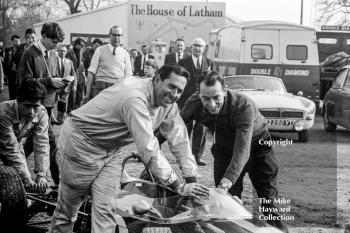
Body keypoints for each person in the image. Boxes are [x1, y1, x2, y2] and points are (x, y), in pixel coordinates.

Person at [48, 64, 209, 233]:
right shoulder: (135, 98)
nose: (174, 94)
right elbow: (148, 149)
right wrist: (179, 186)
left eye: (179, 91)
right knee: (68, 211)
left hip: (112, 148)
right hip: (81, 143)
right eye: (171, 86)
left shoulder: (167, 103)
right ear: (156, 79)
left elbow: (180, 139)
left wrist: (191, 179)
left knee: (106, 210)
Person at [181, 71, 288, 233]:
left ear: (225, 90)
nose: (211, 104)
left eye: (216, 97)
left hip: (257, 148)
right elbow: (172, 128)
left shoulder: (243, 105)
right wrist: (153, 146)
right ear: (198, 93)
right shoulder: (193, 102)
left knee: (268, 201)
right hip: (224, 150)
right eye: (206, 98)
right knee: (225, 206)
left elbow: (242, 151)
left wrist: (225, 183)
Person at [17, 22, 65, 185]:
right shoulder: (29, 54)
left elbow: (52, 76)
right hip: (34, 105)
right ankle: (59, 184)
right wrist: (49, 81)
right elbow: (25, 82)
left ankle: (12, 168)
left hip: (49, 105)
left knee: (31, 142)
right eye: (54, 41)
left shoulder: (52, 53)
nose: (56, 45)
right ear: (43, 37)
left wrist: (62, 83)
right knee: (51, 144)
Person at [0, 79, 49, 193]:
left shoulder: (42, 113)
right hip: (7, 141)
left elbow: (42, 143)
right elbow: (10, 148)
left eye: (35, 106)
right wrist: (26, 177)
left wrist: (41, 174)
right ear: (18, 101)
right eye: (27, 106)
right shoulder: (3, 112)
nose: (31, 112)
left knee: (17, 179)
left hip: (14, 141)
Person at [178, 37, 213, 166]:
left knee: (201, 128)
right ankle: (184, 156)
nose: (198, 48)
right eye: (195, 46)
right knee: (185, 128)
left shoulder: (209, 62)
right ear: (191, 47)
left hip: (202, 100)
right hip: (186, 100)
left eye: (200, 46)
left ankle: (197, 156)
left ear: (204, 49)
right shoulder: (183, 62)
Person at [83, 25, 132, 102]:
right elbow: (91, 72)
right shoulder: (99, 50)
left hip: (118, 88)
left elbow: (128, 76)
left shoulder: (125, 54)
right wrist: (87, 93)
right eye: (114, 35)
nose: (116, 37)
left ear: (121, 37)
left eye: (119, 35)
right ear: (110, 35)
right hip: (100, 87)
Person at [55, 43, 76, 123]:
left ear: (66, 52)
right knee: (53, 104)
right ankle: (52, 119)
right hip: (55, 86)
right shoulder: (53, 61)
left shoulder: (69, 62)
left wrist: (73, 84)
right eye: (60, 51)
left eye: (64, 51)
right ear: (57, 51)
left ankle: (60, 119)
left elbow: (74, 74)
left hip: (66, 87)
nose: (62, 53)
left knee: (63, 104)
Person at [66, 37, 85, 108]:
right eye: (82, 45)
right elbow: (68, 66)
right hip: (72, 76)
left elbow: (82, 66)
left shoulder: (81, 53)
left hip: (80, 77)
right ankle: (69, 110)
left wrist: (84, 77)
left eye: (83, 46)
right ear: (77, 44)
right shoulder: (70, 53)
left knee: (79, 95)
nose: (83, 47)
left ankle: (77, 108)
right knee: (71, 95)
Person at [3, 34, 21, 100]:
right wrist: (6, 75)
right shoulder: (8, 50)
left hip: (19, 75)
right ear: (12, 41)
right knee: (11, 93)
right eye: (15, 41)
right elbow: (5, 63)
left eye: (19, 41)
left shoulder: (22, 50)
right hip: (10, 76)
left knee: (19, 94)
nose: (17, 43)